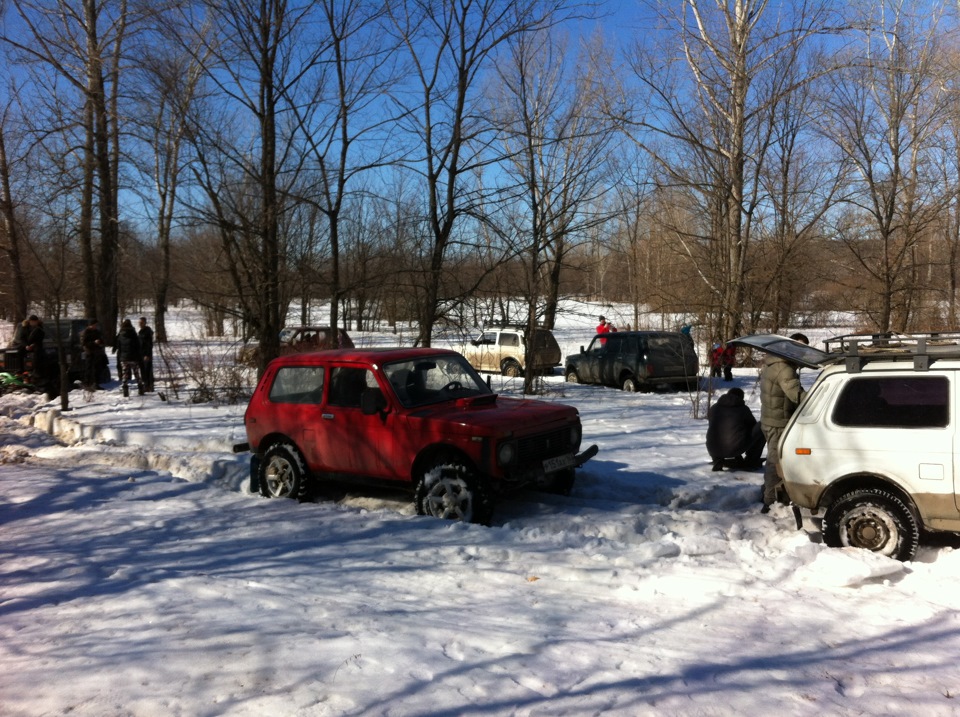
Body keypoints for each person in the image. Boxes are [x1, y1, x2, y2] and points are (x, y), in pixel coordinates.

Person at [759, 331, 809, 512]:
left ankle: (769, 491)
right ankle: (769, 502)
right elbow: (796, 395)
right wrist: (817, 400)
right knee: (775, 462)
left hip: (771, 419)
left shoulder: (775, 362)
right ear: (788, 346)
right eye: (798, 347)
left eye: (804, 349)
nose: (801, 352)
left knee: (777, 460)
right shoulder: (784, 368)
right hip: (778, 423)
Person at [706, 387, 764, 471]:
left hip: (713, 449)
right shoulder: (743, 409)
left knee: (721, 430)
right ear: (740, 398)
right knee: (762, 426)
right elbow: (752, 426)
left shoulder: (714, 408)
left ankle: (717, 459)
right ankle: (751, 459)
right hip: (735, 448)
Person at [116, 319, 143, 396]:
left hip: (124, 358)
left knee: (125, 373)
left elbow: (118, 347)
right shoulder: (134, 334)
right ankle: (140, 387)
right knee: (136, 373)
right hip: (133, 357)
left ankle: (125, 388)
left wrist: (120, 357)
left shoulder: (120, 335)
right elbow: (138, 346)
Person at [81, 319, 107, 390]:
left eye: (96, 325)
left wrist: (100, 343)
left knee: (97, 369)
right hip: (89, 352)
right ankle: (87, 384)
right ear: (91, 325)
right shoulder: (86, 332)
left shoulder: (97, 331)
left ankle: (96, 384)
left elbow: (101, 340)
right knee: (89, 369)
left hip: (97, 353)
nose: (96, 326)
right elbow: (84, 343)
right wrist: (93, 343)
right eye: (95, 325)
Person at [23, 315, 45, 381]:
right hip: (25, 345)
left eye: (34, 322)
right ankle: (20, 370)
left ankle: (36, 372)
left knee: (38, 353)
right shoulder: (25, 328)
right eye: (32, 321)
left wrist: (33, 345)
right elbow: (21, 338)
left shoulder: (39, 329)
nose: (33, 323)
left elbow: (40, 339)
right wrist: (26, 345)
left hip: (36, 345)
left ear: (37, 321)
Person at [138, 316, 154, 392]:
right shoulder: (140, 332)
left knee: (148, 370)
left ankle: (149, 386)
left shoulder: (147, 332)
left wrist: (147, 354)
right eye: (139, 323)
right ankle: (146, 385)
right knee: (143, 370)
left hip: (146, 354)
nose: (140, 324)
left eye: (141, 323)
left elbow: (149, 344)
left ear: (145, 323)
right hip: (141, 354)